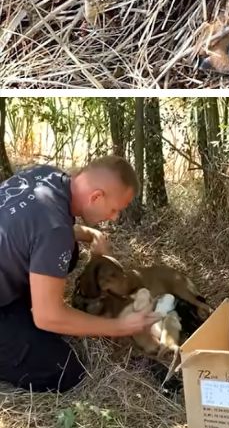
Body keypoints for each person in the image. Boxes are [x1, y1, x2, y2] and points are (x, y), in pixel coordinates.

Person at [0, 156, 159, 392]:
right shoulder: (56, 231)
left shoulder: (45, 175)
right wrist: (120, 326)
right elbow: (47, 316)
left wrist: (88, 234)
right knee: (64, 371)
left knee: (69, 250)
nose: (114, 217)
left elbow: (34, 223)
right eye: (115, 209)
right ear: (96, 196)